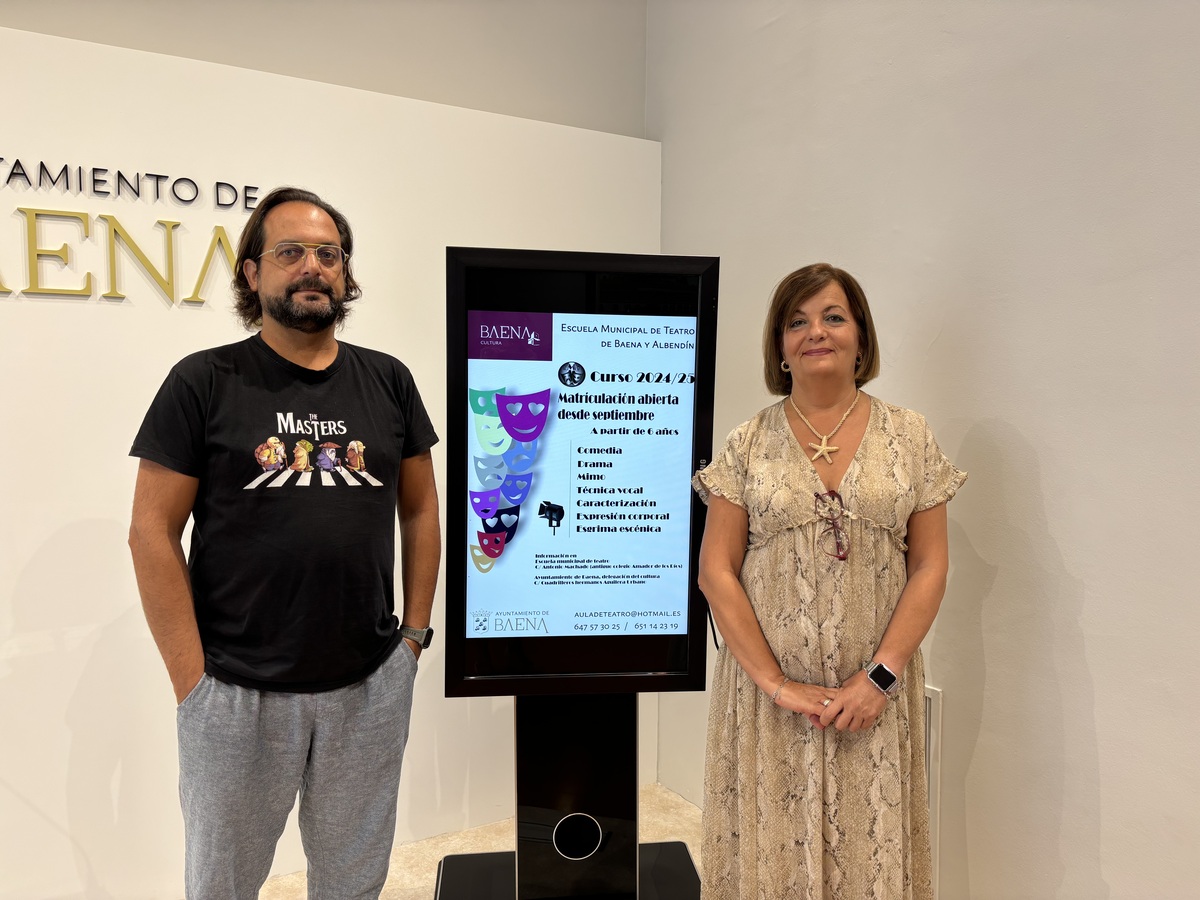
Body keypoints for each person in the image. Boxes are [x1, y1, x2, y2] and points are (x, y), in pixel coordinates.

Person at [127, 186, 441, 899]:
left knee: (353, 882)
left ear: (345, 271)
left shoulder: (389, 381)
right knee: (223, 885)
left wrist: (412, 642)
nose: (312, 267)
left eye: (328, 254)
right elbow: (150, 532)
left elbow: (421, 511)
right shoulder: (203, 381)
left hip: (368, 684)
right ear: (252, 272)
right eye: (290, 252)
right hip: (235, 691)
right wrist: (192, 683)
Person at [693, 263, 965, 899]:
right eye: (797, 321)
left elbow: (930, 565)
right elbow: (715, 571)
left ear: (860, 337)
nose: (815, 331)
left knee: (869, 857)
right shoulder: (746, 443)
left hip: (874, 698)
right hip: (767, 699)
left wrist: (879, 678)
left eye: (833, 317)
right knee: (772, 858)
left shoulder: (910, 436)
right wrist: (777, 684)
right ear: (780, 347)